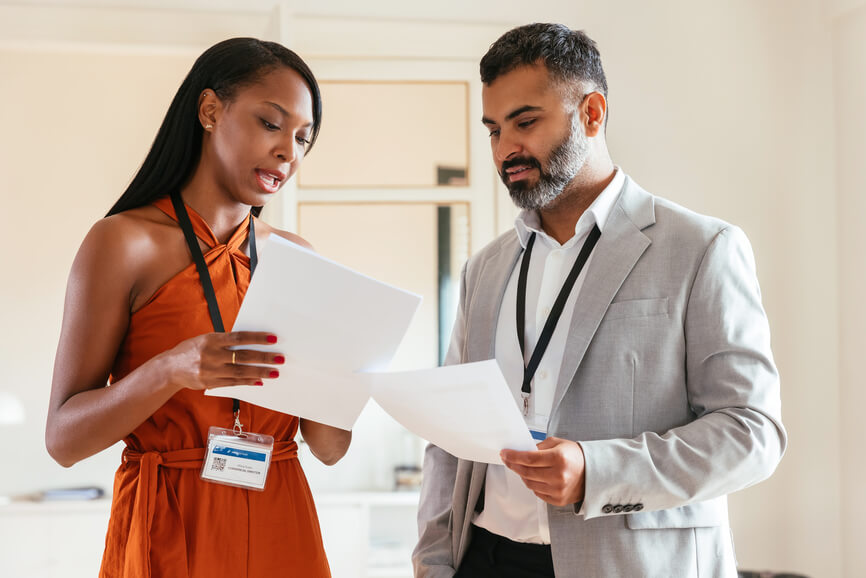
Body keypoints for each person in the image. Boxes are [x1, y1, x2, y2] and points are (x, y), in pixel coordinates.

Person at [413, 23, 786, 578]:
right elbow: (449, 436)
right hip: (485, 558)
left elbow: (751, 432)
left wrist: (597, 469)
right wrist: (433, 562)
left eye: (525, 122)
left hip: (630, 564)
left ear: (591, 113)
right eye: (493, 130)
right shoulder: (483, 270)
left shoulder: (702, 248)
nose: (506, 149)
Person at [45, 38, 351, 577]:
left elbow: (328, 447)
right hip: (170, 528)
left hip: (282, 523)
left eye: (304, 138)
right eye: (271, 123)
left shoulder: (299, 259)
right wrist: (169, 370)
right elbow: (63, 441)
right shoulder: (122, 243)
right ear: (210, 110)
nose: (289, 152)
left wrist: (344, 369)